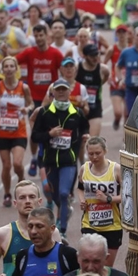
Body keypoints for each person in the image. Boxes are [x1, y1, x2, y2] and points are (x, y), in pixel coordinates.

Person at [32, 79, 90, 238]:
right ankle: (64, 211)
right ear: (53, 93)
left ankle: (62, 229)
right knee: (54, 194)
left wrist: (85, 134)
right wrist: (49, 135)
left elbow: (85, 125)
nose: (61, 92)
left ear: (69, 92)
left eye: (64, 89)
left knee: (64, 193)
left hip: (68, 161)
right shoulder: (44, 112)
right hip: (50, 161)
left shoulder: (76, 113)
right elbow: (35, 136)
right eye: (58, 90)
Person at [16, 24, 64, 175]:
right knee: (35, 131)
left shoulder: (55, 53)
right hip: (34, 99)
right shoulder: (30, 52)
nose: (38, 38)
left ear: (46, 35)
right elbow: (14, 61)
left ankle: (50, 158)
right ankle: (34, 158)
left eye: (41, 35)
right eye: (35, 36)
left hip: (52, 99)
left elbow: (64, 72)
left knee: (52, 130)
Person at [0, 57, 33, 206]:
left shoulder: (23, 87)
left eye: (11, 66)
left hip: (19, 131)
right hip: (2, 132)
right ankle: (7, 193)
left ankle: (21, 182)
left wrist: (26, 109)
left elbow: (31, 103)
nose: (8, 69)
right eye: (5, 66)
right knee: (6, 165)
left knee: (18, 164)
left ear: (16, 69)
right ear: (2, 69)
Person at [75, 137, 122, 266]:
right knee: (89, 265)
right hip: (90, 224)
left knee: (107, 268)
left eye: (98, 153)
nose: (94, 157)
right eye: (91, 154)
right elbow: (79, 189)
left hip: (112, 225)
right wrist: (82, 200)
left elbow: (127, 195)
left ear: (105, 151)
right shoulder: (84, 169)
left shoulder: (116, 170)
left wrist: (108, 199)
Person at [76, 44, 110, 137]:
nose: (95, 58)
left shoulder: (103, 70)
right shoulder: (77, 68)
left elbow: (104, 79)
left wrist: (97, 86)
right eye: (92, 56)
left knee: (92, 140)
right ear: (84, 56)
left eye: (97, 54)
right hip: (78, 108)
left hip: (95, 108)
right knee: (78, 141)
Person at [116, 26, 138, 117]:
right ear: (134, 37)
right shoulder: (126, 52)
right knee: (132, 115)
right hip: (131, 89)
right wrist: (120, 79)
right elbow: (118, 66)